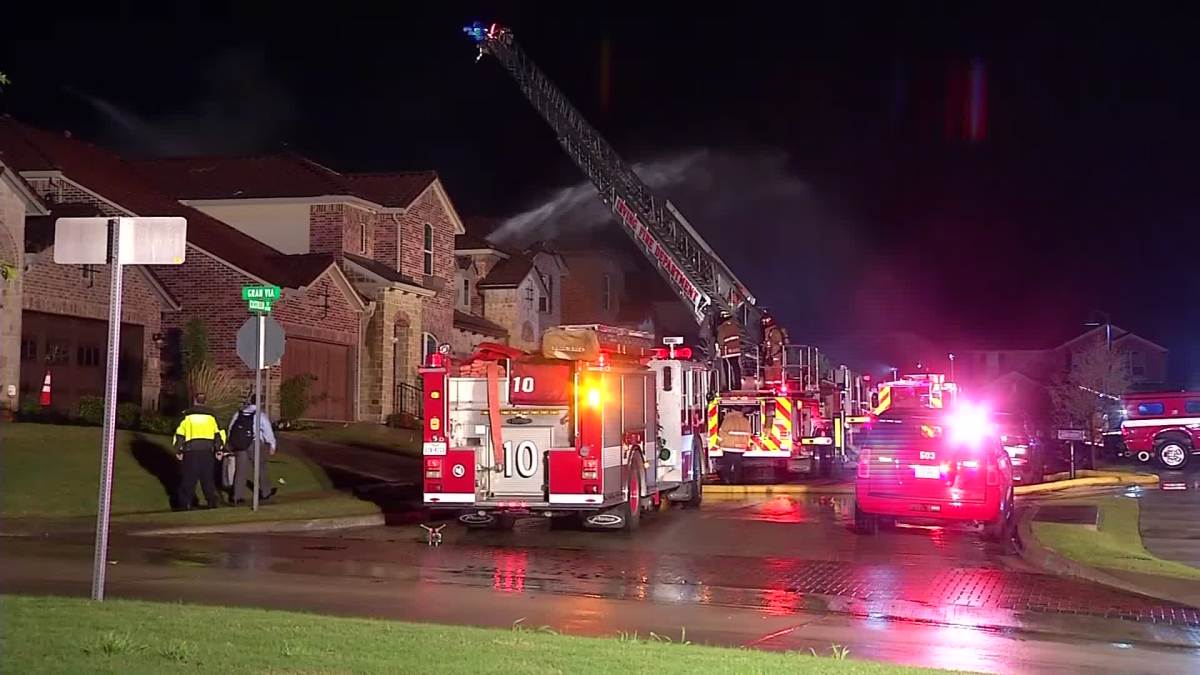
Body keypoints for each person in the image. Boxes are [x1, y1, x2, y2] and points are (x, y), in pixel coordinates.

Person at [173, 393, 227, 511]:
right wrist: (219, 449)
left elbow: (180, 435)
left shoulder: (186, 416)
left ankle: (185, 504)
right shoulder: (212, 417)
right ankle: (211, 502)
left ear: (195, 401)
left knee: (188, 479)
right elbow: (219, 434)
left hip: (191, 452)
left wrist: (179, 449)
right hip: (207, 452)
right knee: (207, 479)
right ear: (204, 401)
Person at [227, 394, 278, 505]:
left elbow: (231, 428)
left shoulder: (239, 413)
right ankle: (265, 492)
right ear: (262, 402)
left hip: (240, 445)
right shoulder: (260, 415)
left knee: (240, 470)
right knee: (260, 468)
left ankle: (237, 496)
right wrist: (272, 445)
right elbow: (268, 431)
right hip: (254, 443)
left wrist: (231, 443)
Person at [716, 312, 742, 390]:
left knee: (727, 368)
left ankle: (729, 385)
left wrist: (719, 347)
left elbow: (720, 340)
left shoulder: (722, 327)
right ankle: (738, 385)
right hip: (736, 350)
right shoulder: (735, 326)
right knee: (736, 368)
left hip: (727, 352)